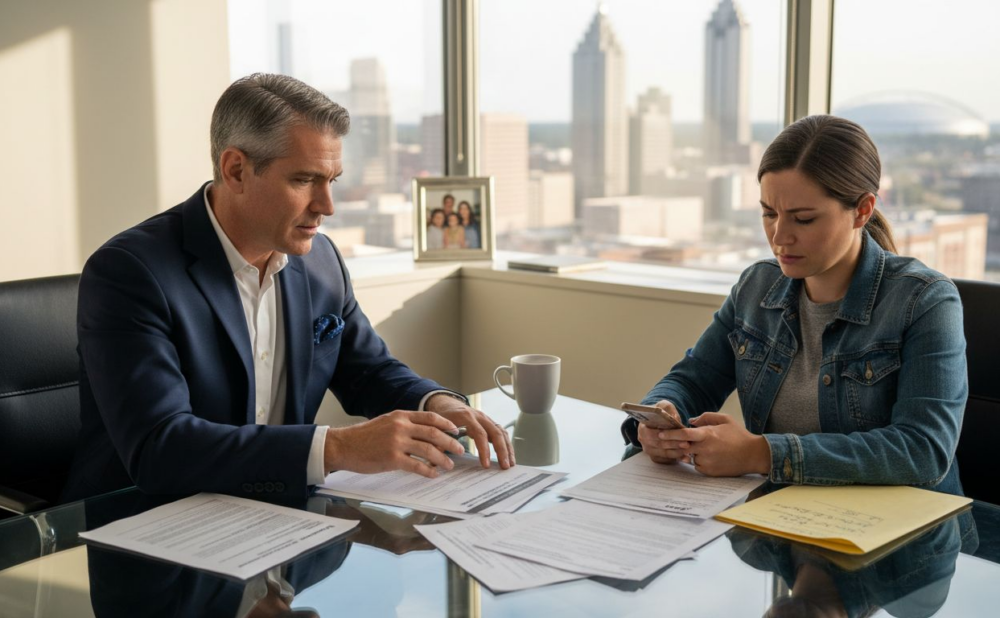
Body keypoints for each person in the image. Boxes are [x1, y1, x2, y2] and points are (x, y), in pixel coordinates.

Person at [63, 73, 513, 503]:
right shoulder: (130, 273)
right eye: (304, 180)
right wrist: (336, 449)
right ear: (236, 169)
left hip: (279, 521)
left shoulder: (321, 261)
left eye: (331, 181)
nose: (327, 206)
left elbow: (369, 371)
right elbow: (161, 448)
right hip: (141, 531)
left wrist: (437, 403)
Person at [625, 115, 968, 495]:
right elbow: (692, 379)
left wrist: (762, 454)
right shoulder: (756, 286)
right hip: (783, 521)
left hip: (902, 537)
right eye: (769, 214)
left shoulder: (925, 300)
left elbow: (923, 450)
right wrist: (657, 419)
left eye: (803, 219)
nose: (779, 237)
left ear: (863, 210)